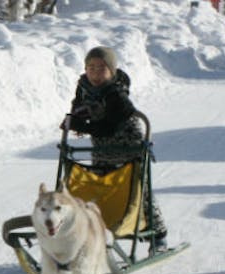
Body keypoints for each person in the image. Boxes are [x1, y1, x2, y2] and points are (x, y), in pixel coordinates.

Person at [66, 46, 168, 252]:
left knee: (139, 189)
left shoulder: (115, 92)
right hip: (102, 147)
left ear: (111, 71)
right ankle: (99, 229)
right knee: (101, 186)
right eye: (91, 68)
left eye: (101, 68)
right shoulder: (83, 87)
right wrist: (74, 119)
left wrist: (85, 126)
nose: (95, 73)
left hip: (128, 144)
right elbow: (77, 107)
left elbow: (111, 124)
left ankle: (158, 235)